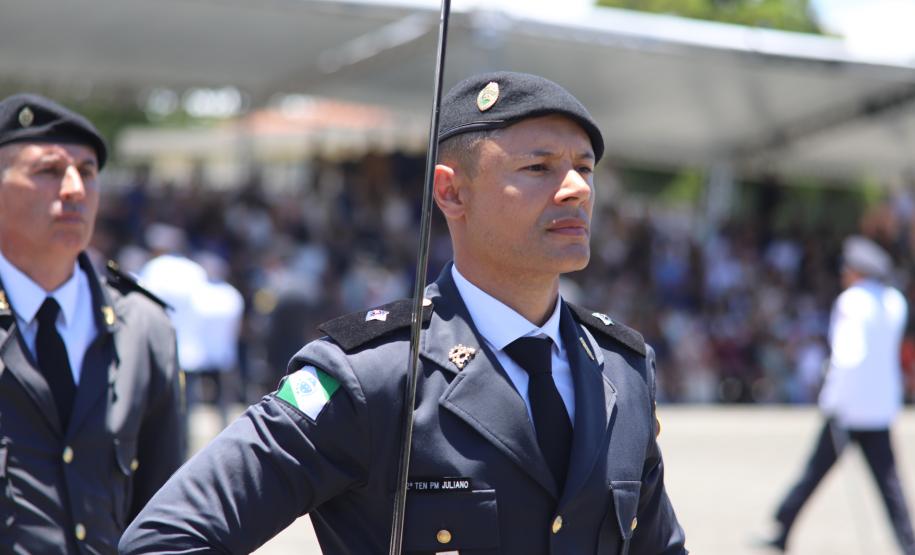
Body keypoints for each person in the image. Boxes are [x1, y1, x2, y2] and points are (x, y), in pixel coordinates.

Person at [120, 72, 687, 554]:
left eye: (584, 169)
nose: (575, 190)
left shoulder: (622, 370)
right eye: (538, 168)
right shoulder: (373, 375)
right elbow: (168, 537)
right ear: (452, 193)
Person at [0, 93, 186, 554]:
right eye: (48, 170)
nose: (75, 190)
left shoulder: (143, 327)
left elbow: (166, 514)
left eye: (87, 172)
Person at [765, 236, 915, 554]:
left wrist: (831, 396)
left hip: (848, 407)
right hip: (879, 407)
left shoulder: (851, 301)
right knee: (889, 484)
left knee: (814, 472)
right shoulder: (895, 301)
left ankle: (782, 525)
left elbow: (848, 356)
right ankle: (908, 543)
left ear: (857, 271)